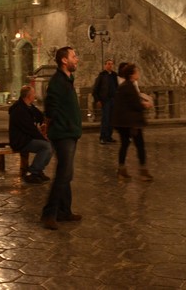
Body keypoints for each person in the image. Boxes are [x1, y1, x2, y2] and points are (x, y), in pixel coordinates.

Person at [41, 46, 82, 231]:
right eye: (74, 56)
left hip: (69, 133)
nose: (77, 59)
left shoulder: (67, 79)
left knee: (67, 174)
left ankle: (65, 211)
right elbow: (51, 108)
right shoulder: (57, 81)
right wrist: (60, 124)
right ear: (64, 60)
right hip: (63, 134)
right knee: (63, 174)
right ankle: (49, 214)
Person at [112, 63, 153, 182]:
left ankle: (122, 171)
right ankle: (143, 172)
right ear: (132, 74)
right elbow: (134, 105)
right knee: (140, 146)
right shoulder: (128, 86)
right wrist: (145, 104)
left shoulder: (126, 85)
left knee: (124, 145)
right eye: (137, 71)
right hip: (131, 123)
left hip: (124, 122)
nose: (138, 74)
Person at [8, 85, 52, 184]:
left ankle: (39, 170)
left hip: (27, 138)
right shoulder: (19, 110)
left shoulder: (28, 106)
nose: (35, 96)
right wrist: (43, 138)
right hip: (20, 141)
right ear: (28, 96)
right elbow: (30, 129)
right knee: (46, 146)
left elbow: (40, 116)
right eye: (33, 94)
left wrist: (43, 123)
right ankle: (32, 172)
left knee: (50, 145)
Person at [92, 59, 118, 144]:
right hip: (105, 100)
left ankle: (109, 137)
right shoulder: (102, 76)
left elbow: (117, 87)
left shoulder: (114, 75)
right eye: (108, 64)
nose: (110, 66)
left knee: (112, 120)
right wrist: (98, 100)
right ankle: (102, 137)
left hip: (113, 100)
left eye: (111, 64)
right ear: (105, 65)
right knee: (105, 119)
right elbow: (95, 89)